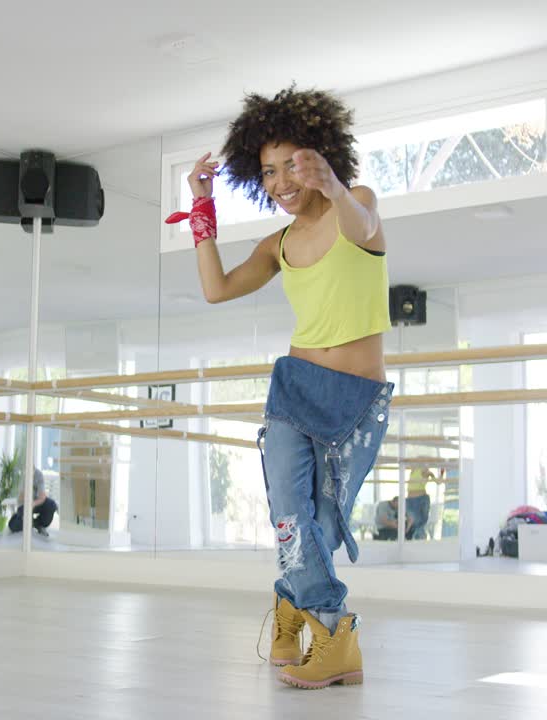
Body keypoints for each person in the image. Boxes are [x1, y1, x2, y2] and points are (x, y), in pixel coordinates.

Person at [176, 86, 392, 689]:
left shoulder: (359, 204)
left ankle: (289, 608)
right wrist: (202, 208)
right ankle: (336, 636)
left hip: (356, 402)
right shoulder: (279, 245)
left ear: (320, 156)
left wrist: (333, 186)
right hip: (294, 392)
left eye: (292, 164)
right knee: (292, 519)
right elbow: (216, 288)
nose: (279, 182)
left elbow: (364, 223)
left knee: (321, 522)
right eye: (267, 172)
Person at [10, 467, 57, 538]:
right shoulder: (22, 474)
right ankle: (18, 518)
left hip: (36, 502)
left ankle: (37, 524)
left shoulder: (38, 474)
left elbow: (42, 496)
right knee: (16, 526)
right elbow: (20, 497)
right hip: (24, 503)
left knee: (51, 505)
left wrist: (33, 503)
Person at [405, 468, 435, 540]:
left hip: (421, 499)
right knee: (415, 522)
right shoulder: (413, 470)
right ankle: (419, 538)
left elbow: (438, 482)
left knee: (419, 523)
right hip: (410, 499)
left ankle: (420, 539)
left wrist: (441, 473)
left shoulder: (427, 472)